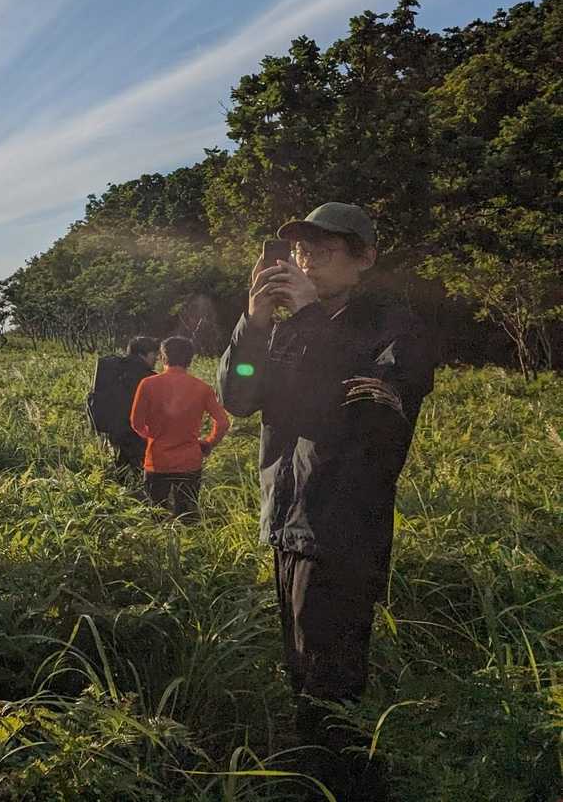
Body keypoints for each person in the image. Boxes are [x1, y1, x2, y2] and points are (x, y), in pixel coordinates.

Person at [217, 202, 435, 801]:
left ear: (364, 259)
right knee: (301, 671)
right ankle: (315, 777)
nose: (306, 260)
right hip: (287, 521)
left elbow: (371, 416)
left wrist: (310, 316)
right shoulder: (284, 329)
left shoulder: (394, 329)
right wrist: (253, 323)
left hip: (343, 528)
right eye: (300, 249)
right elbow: (237, 397)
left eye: (324, 249)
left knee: (332, 685)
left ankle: (338, 785)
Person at [129, 335, 229, 521]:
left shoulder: (147, 384)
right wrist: (208, 443)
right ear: (190, 359)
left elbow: (136, 423)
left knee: (156, 518)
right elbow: (223, 422)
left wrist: (152, 437)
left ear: (163, 357)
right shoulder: (202, 388)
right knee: (188, 517)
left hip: (157, 461)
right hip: (189, 461)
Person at [87, 336, 158, 480]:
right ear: (142, 354)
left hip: (113, 431)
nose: (156, 358)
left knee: (120, 470)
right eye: (153, 354)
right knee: (140, 474)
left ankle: (120, 489)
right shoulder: (149, 377)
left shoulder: (114, 370)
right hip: (137, 435)